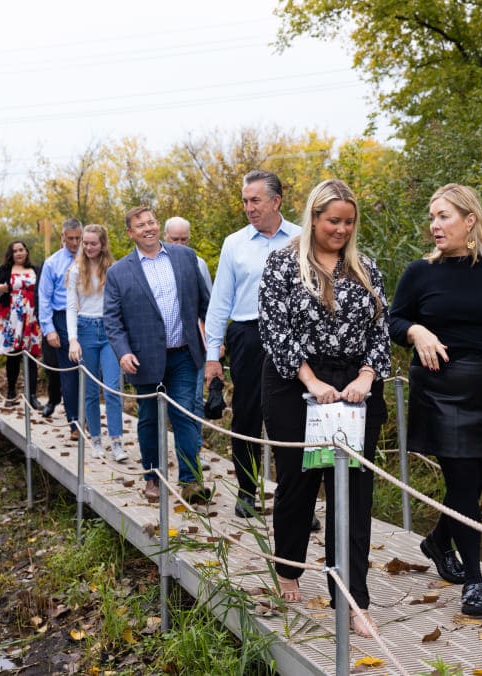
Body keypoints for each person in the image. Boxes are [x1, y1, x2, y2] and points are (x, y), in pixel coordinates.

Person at [389, 183, 482, 617]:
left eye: (444, 216)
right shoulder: (420, 273)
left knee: (472, 483)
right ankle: (475, 581)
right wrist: (417, 331)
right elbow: (393, 321)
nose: (434, 225)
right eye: (432, 217)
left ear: (470, 221)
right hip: (438, 389)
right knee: (464, 487)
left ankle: (436, 540)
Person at [259, 179, 390, 637]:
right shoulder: (281, 265)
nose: (341, 229)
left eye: (349, 222)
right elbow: (275, 330)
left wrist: (367, 376)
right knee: (298, 482)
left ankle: (352, 597)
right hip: (295, 383)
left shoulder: (366, 267)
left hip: (354, 388)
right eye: (333, 220)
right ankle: (289, 567)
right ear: (314, 217)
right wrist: (312, 381)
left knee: (353, 493)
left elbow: (380, 329)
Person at [205, 170, 307, 520]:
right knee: (247, 415)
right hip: (248, 335)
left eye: (255, 200)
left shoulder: (301, 237)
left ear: (276, 201)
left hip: (294, 337)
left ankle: (296, 500)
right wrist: (211, 356)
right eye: (245, 201)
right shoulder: (235, 243)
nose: (248, 207)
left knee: (295, 418)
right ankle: (247, 492)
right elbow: (220, 301)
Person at [104, 206, 211, 504]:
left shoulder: (185, 257)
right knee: (150, 418)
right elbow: (112, 320)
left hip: (184, 355)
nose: (148, 228)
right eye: (141, 225)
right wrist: (123, 353)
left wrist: (213, 342)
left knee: (184, 414)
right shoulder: (119, 272)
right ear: (130, 233)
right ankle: (152, 477)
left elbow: (206, 304)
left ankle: (190, 481)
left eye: (152, 222)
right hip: (143, 359)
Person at [66, 224, 128, 463]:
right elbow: (71, 306)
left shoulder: (113, 269)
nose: (89, 247)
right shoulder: (75, 271)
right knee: (91, 390)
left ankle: (117, 441)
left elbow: (122, 305)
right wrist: (73, 340)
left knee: (112, 387)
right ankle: (95, 439)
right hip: (85, 329)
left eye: (93, 243)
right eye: (85, 243)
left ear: (102, 244)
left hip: (110, 330)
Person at [164, 216, 212, 457]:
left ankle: (195, 450)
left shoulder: (197, 262)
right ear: (165, 237)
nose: (180, 244)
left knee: (194, 400)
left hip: (195, 343)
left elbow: (208, 306)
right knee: (170, 403)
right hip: (165, 345)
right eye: (175, 239)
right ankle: (176, 449)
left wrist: (213, 343)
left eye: (185, 239)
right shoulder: (156, 263)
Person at [38, 218, 82, 439]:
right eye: (70, 238)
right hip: (62, 318)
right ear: (63, 237)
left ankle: (87, 418)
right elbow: (44, 298)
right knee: (70, 370)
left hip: (88, 316)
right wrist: (49, 329)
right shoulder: (52, 263)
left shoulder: (91, 257)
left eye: (78, 238)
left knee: (90, 370)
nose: (75, 242)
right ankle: (74, 422)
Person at [0, 241, 42, 407]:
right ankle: (11, 393)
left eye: (21, 250)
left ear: (26, 251)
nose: (19, 253)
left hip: (32, 319)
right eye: (15, 251)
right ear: (11, 254)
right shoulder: (4, 270)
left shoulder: (36, 270)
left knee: (32, 357)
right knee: (14, 356)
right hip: (12, 318)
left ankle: (32, 395)